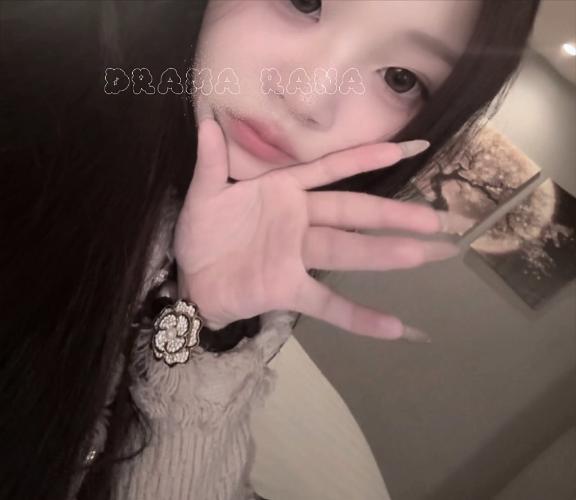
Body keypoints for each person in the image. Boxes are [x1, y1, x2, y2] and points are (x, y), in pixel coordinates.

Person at [0, 1, 541, 499]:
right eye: (304, 1)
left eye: (400, 78)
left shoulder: (252, 253)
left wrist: (203, 322)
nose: (307, 98)